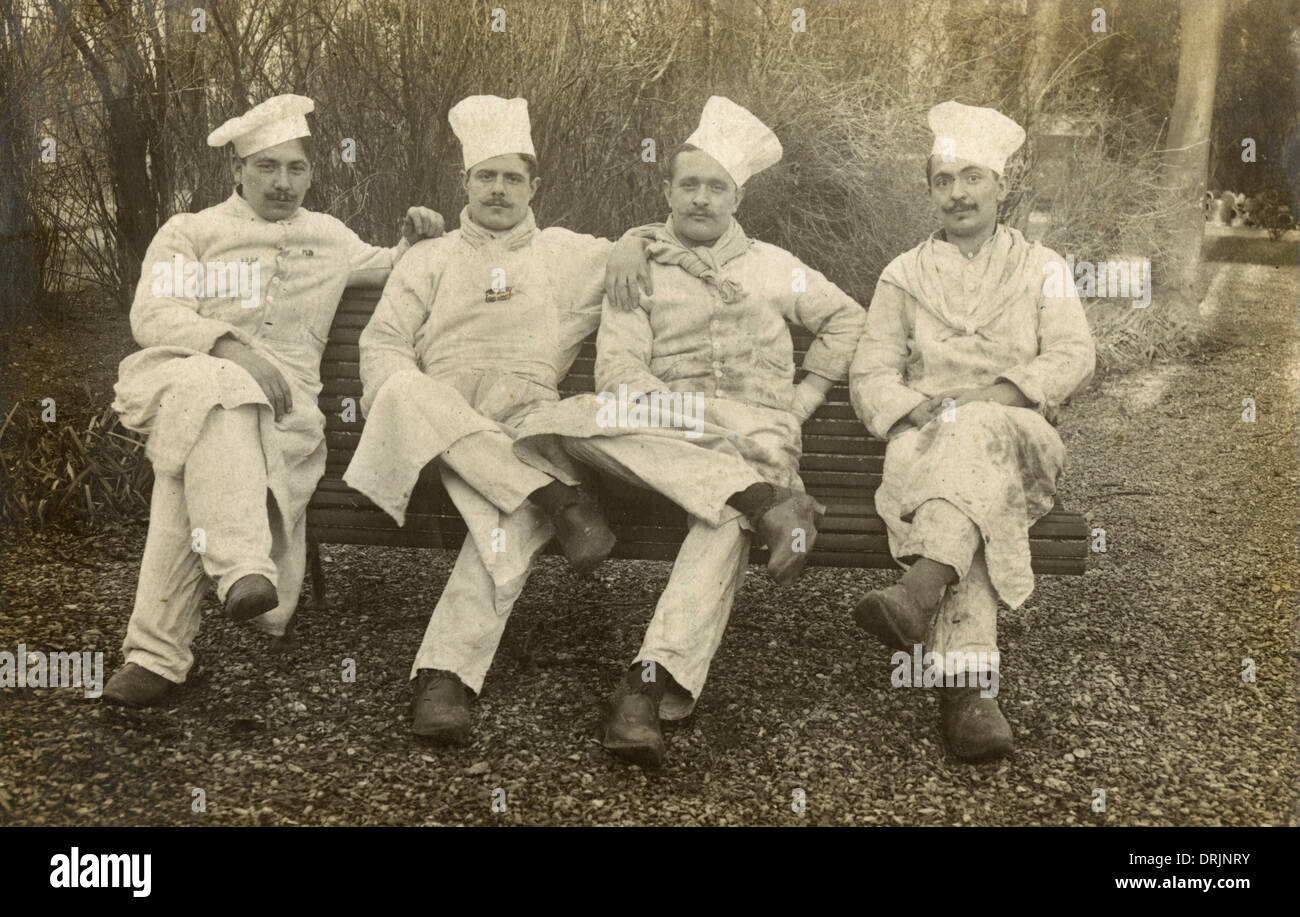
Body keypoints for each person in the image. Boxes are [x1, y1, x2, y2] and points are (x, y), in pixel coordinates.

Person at [512, 97, 866, 769]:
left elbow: (848, 318)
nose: (702, 199)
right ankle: (768, 501)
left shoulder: (771, 265)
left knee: (725, 519)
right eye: (689, 184)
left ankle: (648, 686)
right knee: (547, 422)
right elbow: (618, 369)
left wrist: (806, 394)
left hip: (753, 431)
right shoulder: (638, 265)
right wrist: (677, 418)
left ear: (737, 196)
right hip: (665, 439)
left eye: (717, 187)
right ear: (667, 190)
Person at [104, 94, 444, 707]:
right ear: (236, 171)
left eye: (296, 168)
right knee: (219, 390)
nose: (283, 183)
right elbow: (152, 312)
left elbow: (394, 266)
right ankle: (241, 570)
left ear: (311, 174)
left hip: (284, 421)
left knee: (192, 459)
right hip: (181, 377)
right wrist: (231, 348)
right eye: (266, 167)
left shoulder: (329, 237)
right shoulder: (193, 231)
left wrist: (416, 236)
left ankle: (157, 656)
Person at [343, 95, 651, 744]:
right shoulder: (427, 258)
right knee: (401, 386)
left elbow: (661, 241)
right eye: (487, 175)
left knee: (509, 512)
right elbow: (382, 344)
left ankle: (443, 680)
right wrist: (396, 398)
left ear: (535, 186)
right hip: (440, 441)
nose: (500, 189)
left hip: (525, 427)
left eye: (514, 177)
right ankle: (554, 498)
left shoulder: (568, 253)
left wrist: (630, 240)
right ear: (465, 183)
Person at [848, 101, 1096, 761]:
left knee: (979, 435)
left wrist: (996, 393)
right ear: (931, 189)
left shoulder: (1042, 266)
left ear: (1000, 186)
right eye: (943, 179)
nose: (958, 192)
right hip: (927, 442)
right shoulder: (902, 275)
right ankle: (969, 694)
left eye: (972, 177)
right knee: (968, 491)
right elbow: (869, 372)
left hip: (1021, 437)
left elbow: (1073, 354)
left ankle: (922, 588)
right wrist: (913, 407)